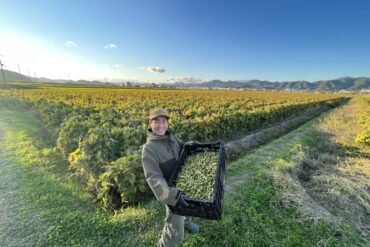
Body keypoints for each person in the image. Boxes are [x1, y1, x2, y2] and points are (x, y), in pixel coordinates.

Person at [141, 107, 200, 247]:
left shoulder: (170, 136)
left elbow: (181, 147)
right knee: (174, 223)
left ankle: (188, 223)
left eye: (164, 121)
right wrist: (170, 194)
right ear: (150, 124)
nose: (161, 125)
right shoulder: (149, 149)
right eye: (157, 122)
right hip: (171, 190)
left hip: (184, 179)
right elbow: (153, 177)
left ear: (167, 124)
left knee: (189, 205)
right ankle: (165, 243)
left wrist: (190, 145)